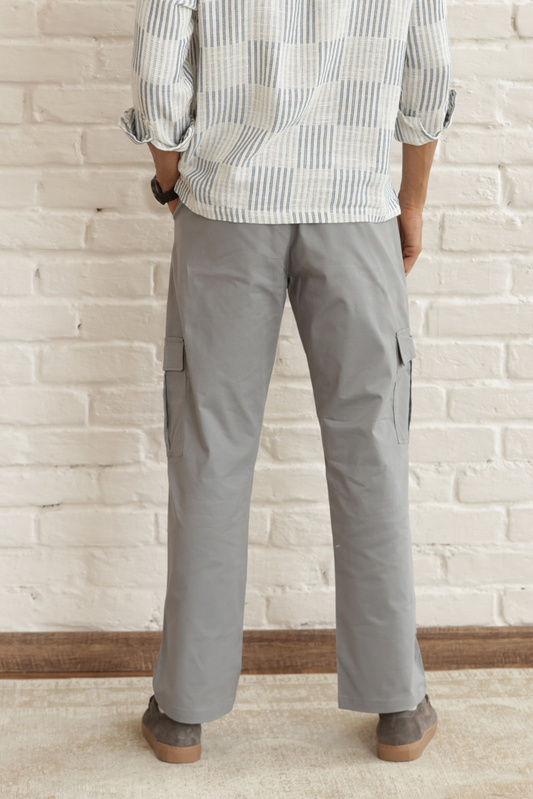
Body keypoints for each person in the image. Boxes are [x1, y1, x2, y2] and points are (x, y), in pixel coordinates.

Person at [119, 0, 456, 765]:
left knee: (209, 450)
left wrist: (169, 176)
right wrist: (411, 200)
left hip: (225, 207)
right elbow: (429, 68)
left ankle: (182, 711)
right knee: (371, 448)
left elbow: (158, 60)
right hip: (355, 210)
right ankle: (398, 704)